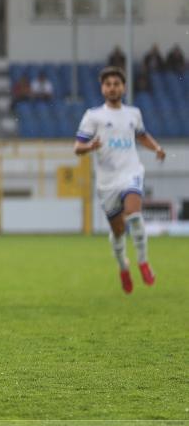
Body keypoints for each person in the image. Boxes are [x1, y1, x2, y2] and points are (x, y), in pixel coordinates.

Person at [74, 66, 166, 294]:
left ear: (123, 87)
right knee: (118, 232)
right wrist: (89, 146)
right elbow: (77, 147)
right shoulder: (93, 116)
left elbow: (142, 135)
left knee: (134, 215)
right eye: (108, 84)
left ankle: (143, 262)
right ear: (102, 88)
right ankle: (123, 266)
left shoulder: (133, 113)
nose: (112, 88)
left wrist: (156, 148)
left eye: (116, 84)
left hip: (131, 172)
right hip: (107, 182)